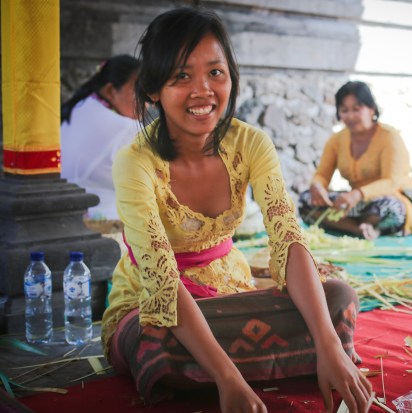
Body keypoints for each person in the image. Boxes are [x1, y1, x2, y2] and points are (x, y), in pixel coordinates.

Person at [101, 8, 373, 413]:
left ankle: (300, 357)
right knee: (152, 340)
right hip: (152, 303)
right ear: (154, 89)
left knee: (337, 298)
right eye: (181, 77)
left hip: (231, 295)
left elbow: (287, 236)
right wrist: (229, 380)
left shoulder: (251, 144)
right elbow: (160, 278)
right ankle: (243, 367)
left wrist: (330, 344)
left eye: (215, 72)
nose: (203, 90)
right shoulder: (134, 162)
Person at [299, 81, 412, 240]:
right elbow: (322, 175)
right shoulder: (337, 140)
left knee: (389, 206)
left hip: (388, 199)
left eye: (356, 109)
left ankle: (363, 225)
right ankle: (362, 229)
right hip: (356, 204)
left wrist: (358, 194)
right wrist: (317, 186)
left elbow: (392, 181)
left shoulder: (389, 137)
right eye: (344, 110)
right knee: (305, 200)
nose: (350, 116)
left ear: (372, 109)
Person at [61, 54, 140, 220]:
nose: (147, 102)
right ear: (110, 90)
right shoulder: (125, 128)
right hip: (104, 218)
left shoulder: (79, 106)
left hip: (68, 212)